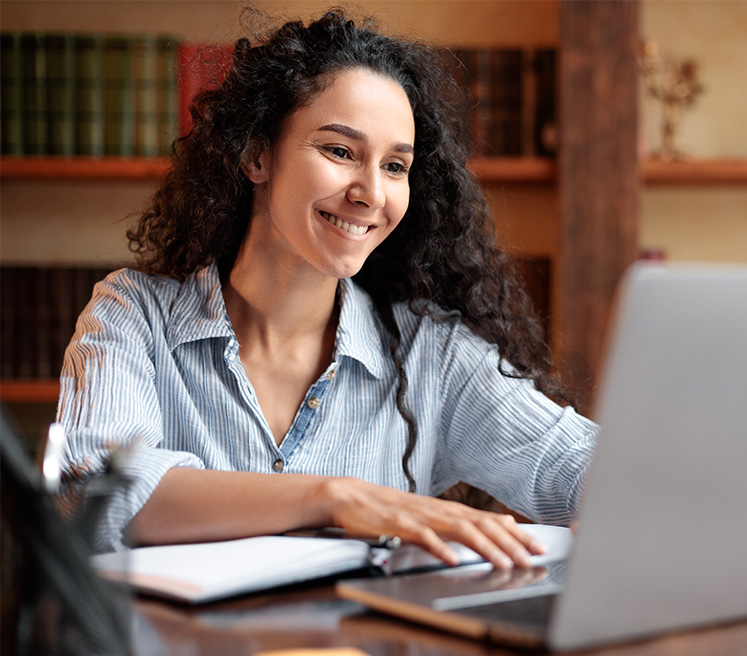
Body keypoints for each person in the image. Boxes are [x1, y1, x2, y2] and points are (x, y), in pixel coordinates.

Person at [56, 9, 598, 568]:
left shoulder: (431, 354)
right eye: (340, 152)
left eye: (394, 166)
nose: (371, 193)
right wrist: (334, 499)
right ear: (257, 155)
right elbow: (96, 493)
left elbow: (577, 463)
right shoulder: (132, 314)